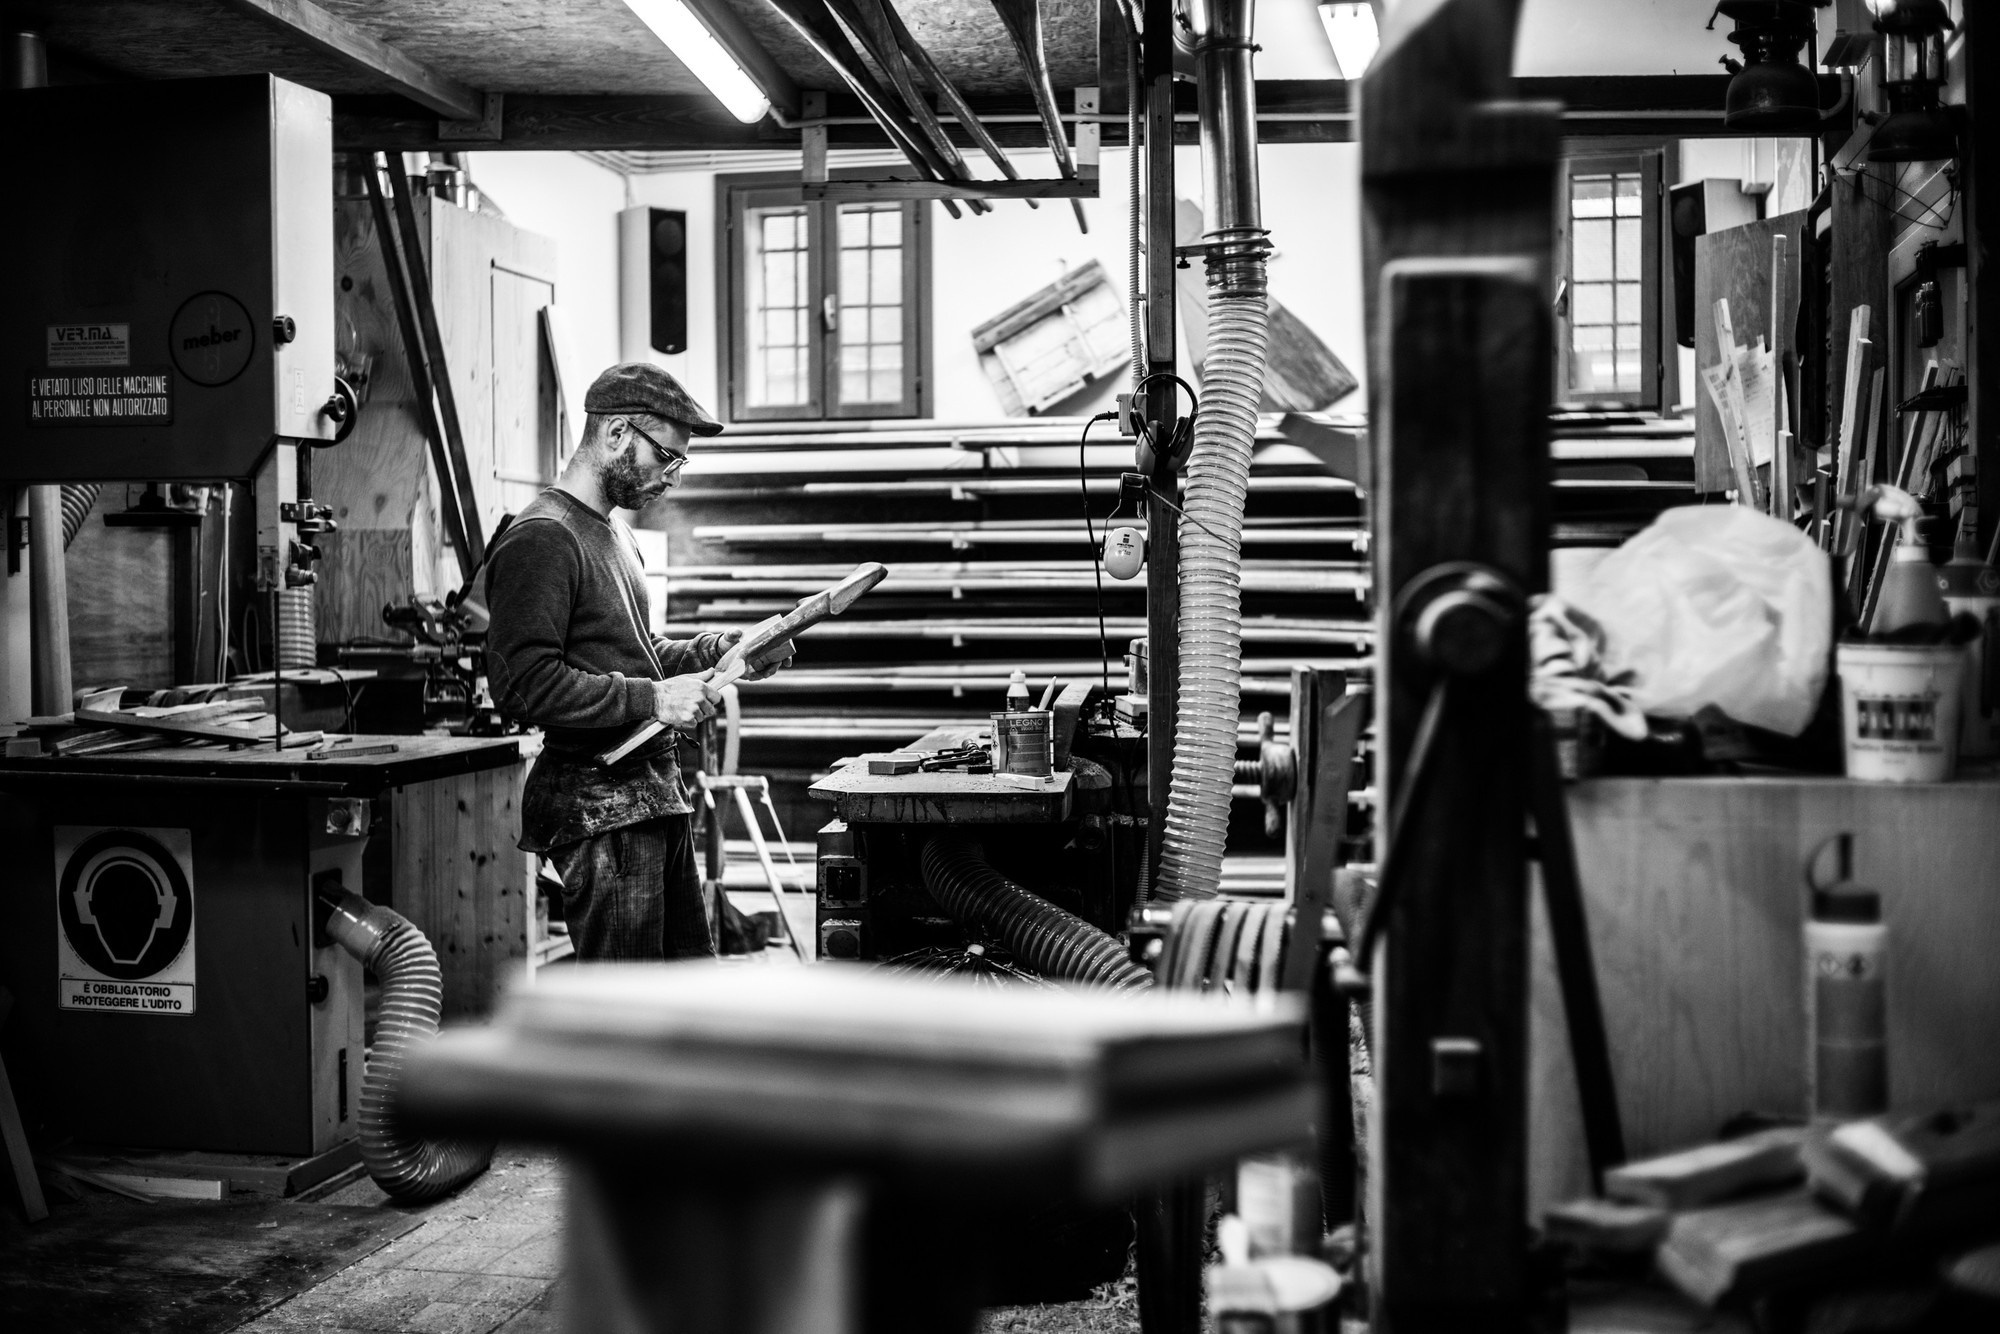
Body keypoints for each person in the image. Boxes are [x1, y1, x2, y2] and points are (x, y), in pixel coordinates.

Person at [483, 363, 791, 959]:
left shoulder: (611, 534)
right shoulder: (544, 537)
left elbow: (637, 653)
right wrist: (654, 699)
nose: (672, 478)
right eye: (666, 457)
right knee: (626, 1022)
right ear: (618, 432)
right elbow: (521, 687)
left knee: (678, 1003)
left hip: (650, 794)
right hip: (601, 810)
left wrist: (720, 650)